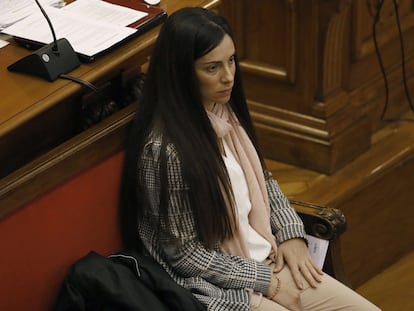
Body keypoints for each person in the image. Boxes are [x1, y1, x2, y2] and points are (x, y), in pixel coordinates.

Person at [120, 7, 381, 311]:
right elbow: (185, 256)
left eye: (231, 60)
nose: (228, 76)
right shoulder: (165, 152)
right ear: (181, 72)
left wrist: (290, 235)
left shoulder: (223, 111)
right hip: (217, 286)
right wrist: (266, 282)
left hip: (269, 256)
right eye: (212, 67)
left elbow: (264, 181)